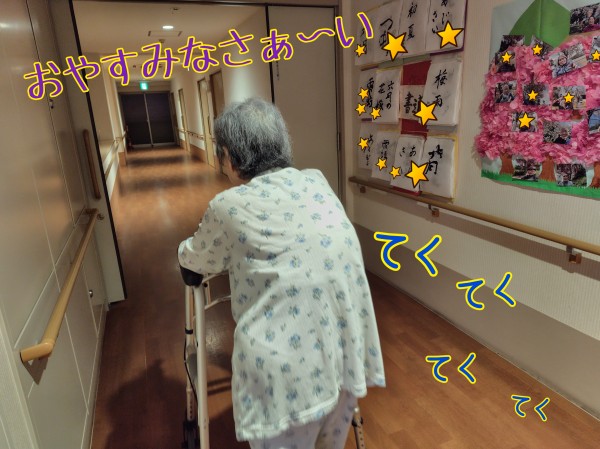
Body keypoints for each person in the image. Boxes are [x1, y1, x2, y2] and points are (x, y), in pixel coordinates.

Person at [178, 98, 385, 449]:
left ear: (230, 157)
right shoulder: (317, 183)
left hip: (286, 383)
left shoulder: (227, 206)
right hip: (346, 356)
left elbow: (195, 258)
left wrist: (184, 252)